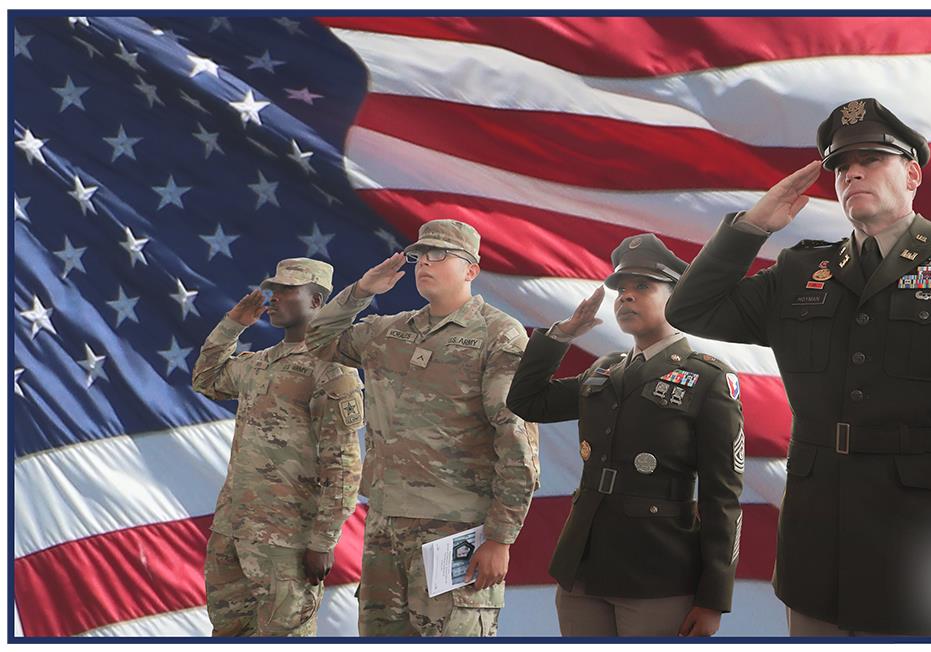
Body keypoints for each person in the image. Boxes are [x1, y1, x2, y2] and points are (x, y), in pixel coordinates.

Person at [665, 98, 931, 636]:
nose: (853, 172)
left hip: (929, 551)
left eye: (872, 157)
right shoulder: (801, 270)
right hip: (819, 552)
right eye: (841, 165)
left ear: (913, 173)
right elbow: (688, 308)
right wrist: (753, 226)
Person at [304, 219, 539, 637]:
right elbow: (319, 339)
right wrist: (362, 291)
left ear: (471, 270)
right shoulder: (388, 331)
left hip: (456, 528)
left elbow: (516, 443)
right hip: (385, 526)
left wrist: (501, 537)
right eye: (418, 255)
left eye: (438, 254)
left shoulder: (499, 335)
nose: (423, 263)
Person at [507, 234, 744, 637]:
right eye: (621, 289)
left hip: (656, 571)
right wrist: (562, 335)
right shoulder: (606, 370)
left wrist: (712, 598)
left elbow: (722, 498)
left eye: (643, 287)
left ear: (678, 297)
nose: (626, 297)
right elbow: (528, 401)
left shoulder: (708, 378)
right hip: (582, 567)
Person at [192, 257, 364, 637]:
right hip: (234, 530)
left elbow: (344, 463)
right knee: (229, 634)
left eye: (288, 291)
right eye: (275, 289)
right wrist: (233, 324)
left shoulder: (332, 370)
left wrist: (323, 540)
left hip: (288, 540)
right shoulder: (259, 364)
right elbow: (206, 378)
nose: (274, 298)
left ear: (317, 302)